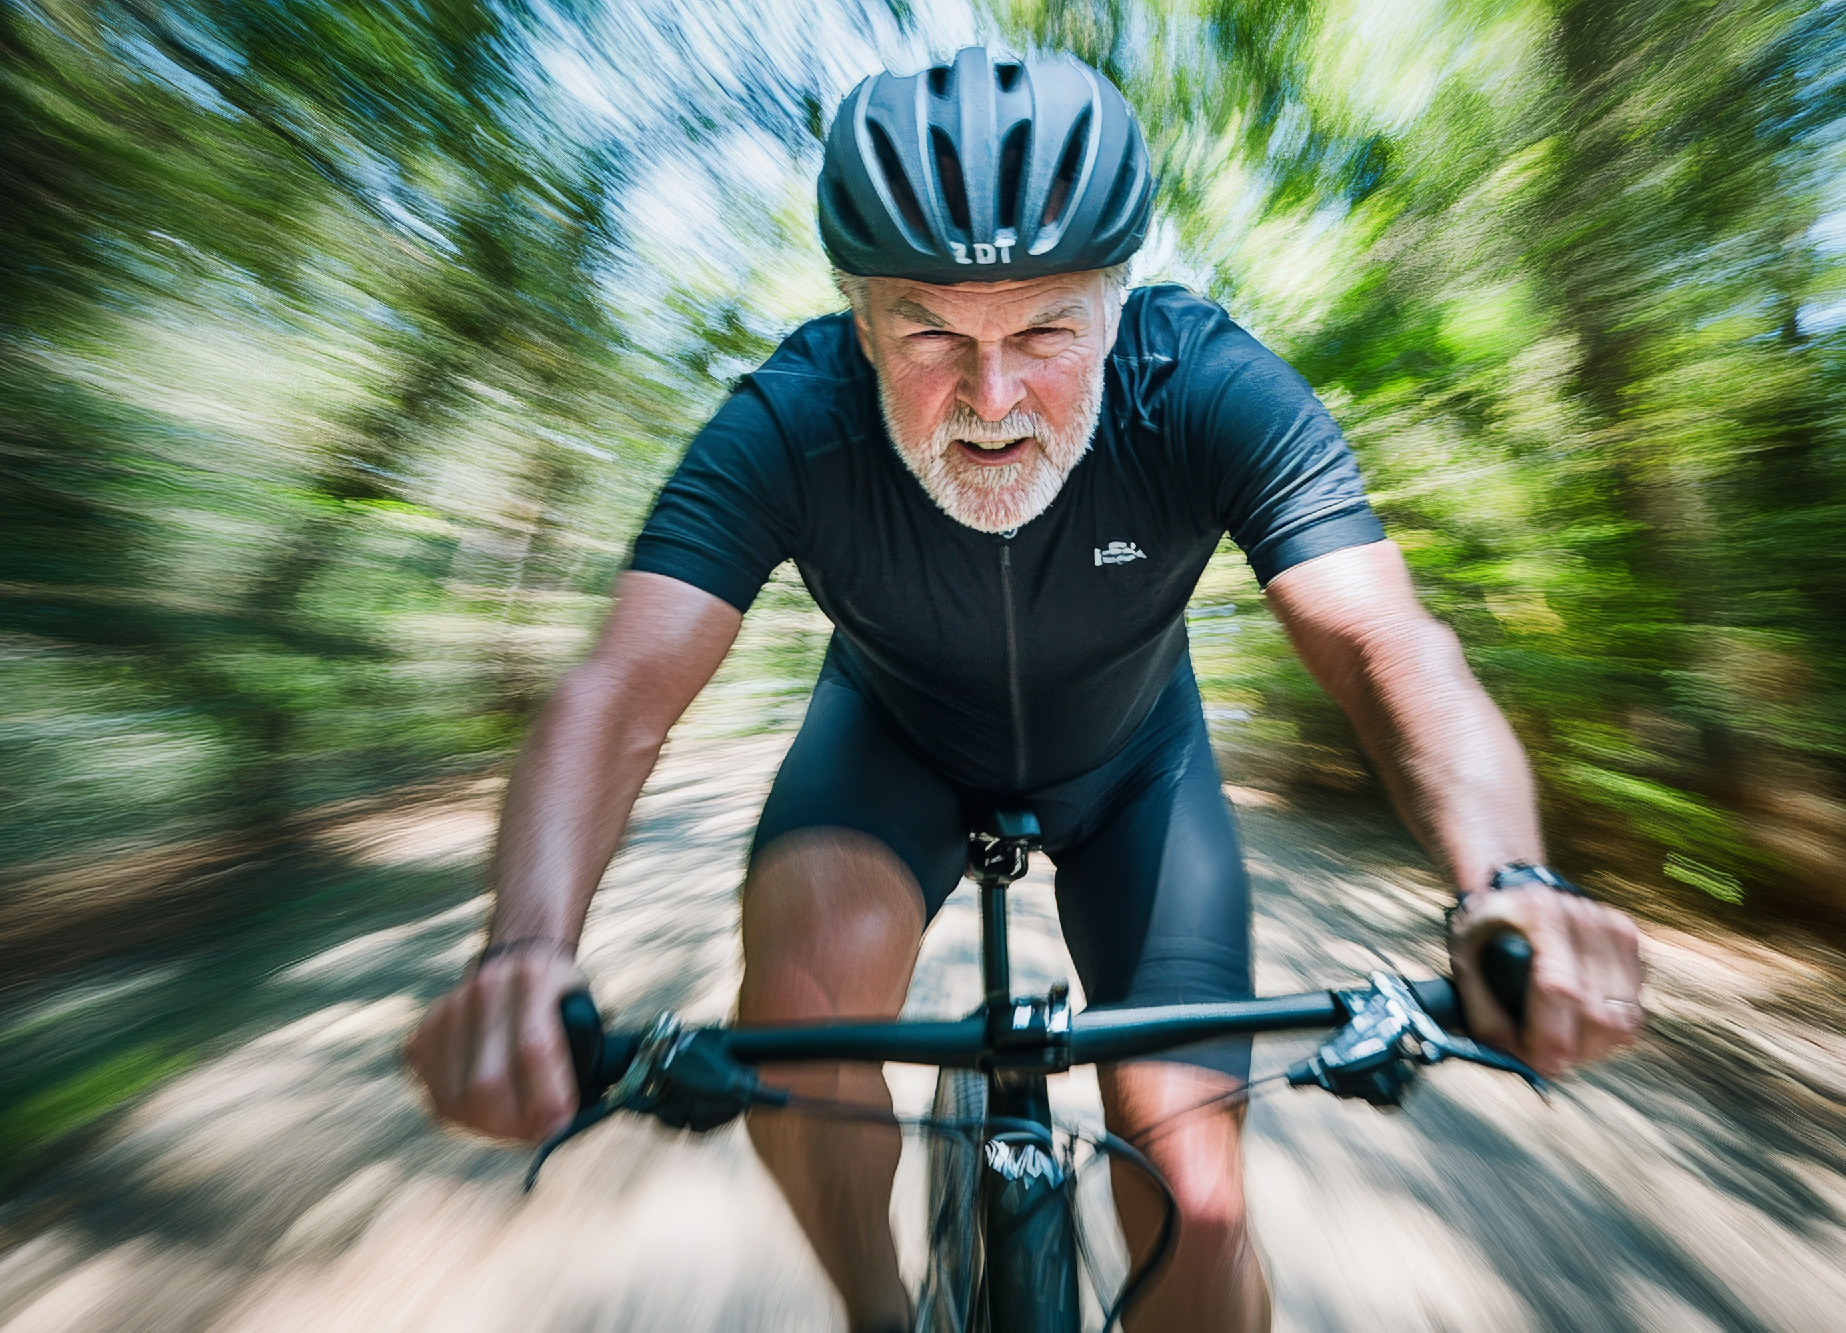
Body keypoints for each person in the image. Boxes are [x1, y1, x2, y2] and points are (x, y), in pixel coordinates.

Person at [406, 46, 1642, 1333]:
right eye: (930, 329)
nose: (990, 400)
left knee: (1197, 1199)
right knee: (796, 1016)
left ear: (1115, 305)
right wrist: (526, 953)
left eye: (1045, 330)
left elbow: (1387, 642)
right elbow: (619, 686)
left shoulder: (1203, 385)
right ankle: (880, 1314)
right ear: (856, 314)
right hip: (887, 752)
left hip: (1133, 774)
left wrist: (1512, 885)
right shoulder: (789, 417)